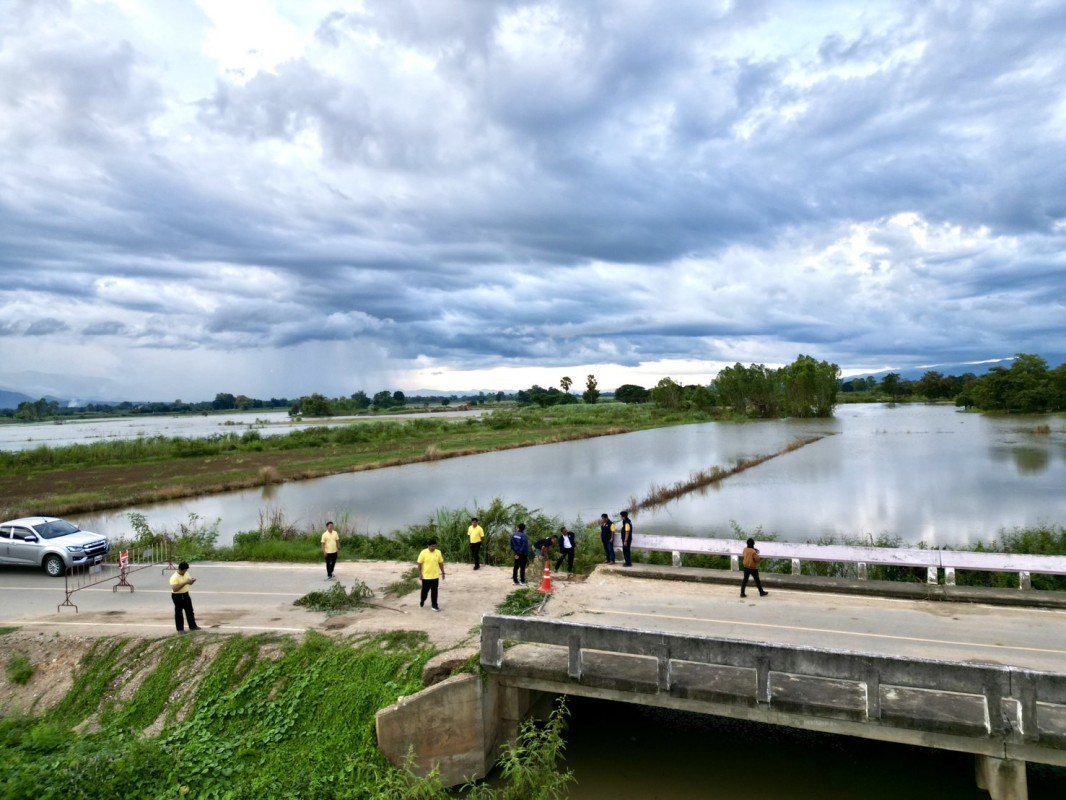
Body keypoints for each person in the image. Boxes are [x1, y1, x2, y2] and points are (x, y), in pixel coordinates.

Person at [169, 561, 200, 632]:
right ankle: (180, 629)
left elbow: (189, 582)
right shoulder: (174, 577)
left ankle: (192, 626)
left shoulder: (186, 573)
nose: (186, 571)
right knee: (179, 613)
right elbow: (175, 589)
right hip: (177, 596)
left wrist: (191, 581)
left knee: (190, 611)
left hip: (185, 594)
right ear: (182, 570)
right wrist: (185, 582)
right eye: (185, 570)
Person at [417, 539, 445, 611]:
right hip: (426, 577)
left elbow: (440, 563)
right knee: (425, 592)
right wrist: (420, 574)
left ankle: (434, 605)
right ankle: (422, 600)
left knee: (434, 591)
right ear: (428, 546)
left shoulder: (438, 552)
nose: (434, 548)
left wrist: (443, 572)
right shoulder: (423, 552)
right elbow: (419, 563)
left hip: (435, 576)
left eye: (435, 546)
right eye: (432, 546)